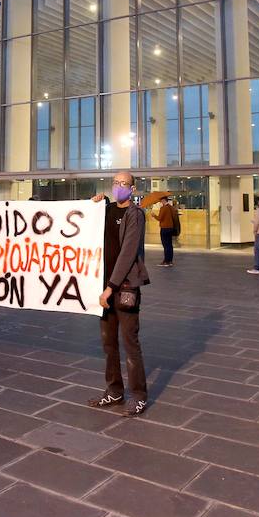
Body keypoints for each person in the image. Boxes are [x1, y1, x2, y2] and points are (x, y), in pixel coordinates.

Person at [88, 172, 150, 417]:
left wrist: (110, 287)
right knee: (108, 343)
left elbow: (128, 253)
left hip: (122, 287)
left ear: (132, 189)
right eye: (116, 183)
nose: (119, 187)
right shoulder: (107, 210)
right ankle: (114, 390)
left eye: (124, 184)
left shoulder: (135, 215)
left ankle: (139, 395)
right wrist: (92, 204)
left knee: (130, 343)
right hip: (103, 286)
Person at [152, 196, 180, 267]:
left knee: (165, 245)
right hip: (171, 228)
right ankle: (170, 261)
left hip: (164, 228)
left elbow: (160, 218)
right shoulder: (171, 208)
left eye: (161, 201)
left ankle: (166, 261)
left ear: (163, 200)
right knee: (170, 245)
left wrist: (154, 215)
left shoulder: (163, 208)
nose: (160, 203)